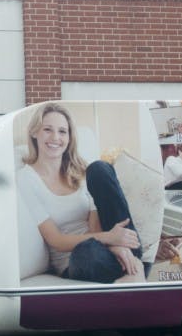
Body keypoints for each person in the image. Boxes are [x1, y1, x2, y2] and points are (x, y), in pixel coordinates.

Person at [17, 103, 144, 283]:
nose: (55, 137)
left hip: (111, 245)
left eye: (62, 131)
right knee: (86, 252)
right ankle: (133, 271)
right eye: (47, 129)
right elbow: (56, 240)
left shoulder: (80, 171)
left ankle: (132, 258)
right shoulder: (25, 179)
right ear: (34, 132)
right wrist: (109, 239)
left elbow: (95, 225)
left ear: (69, 138)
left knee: (99, 168)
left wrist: (113, 245)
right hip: (79, 260)